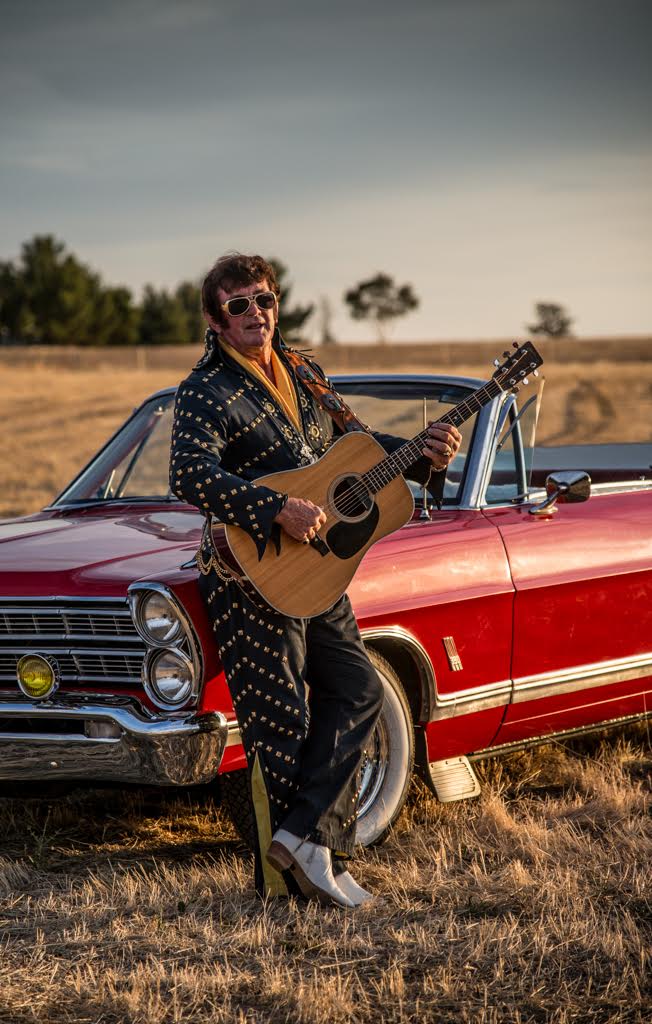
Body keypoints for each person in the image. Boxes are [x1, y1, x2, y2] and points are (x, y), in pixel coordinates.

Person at [169, 253, 461, 907]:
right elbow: (189, 475)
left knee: (360, 689)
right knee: (281, 724)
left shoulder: (303, 372)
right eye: (238, 304)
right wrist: (275, 508)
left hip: (318, 566)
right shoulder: (205, 390)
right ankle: (290, 882)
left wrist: (420, 455)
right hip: (249, 573)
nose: (255, 313)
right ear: (216, 320)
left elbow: (350, 448)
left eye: (264, 299)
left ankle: (309, 840)